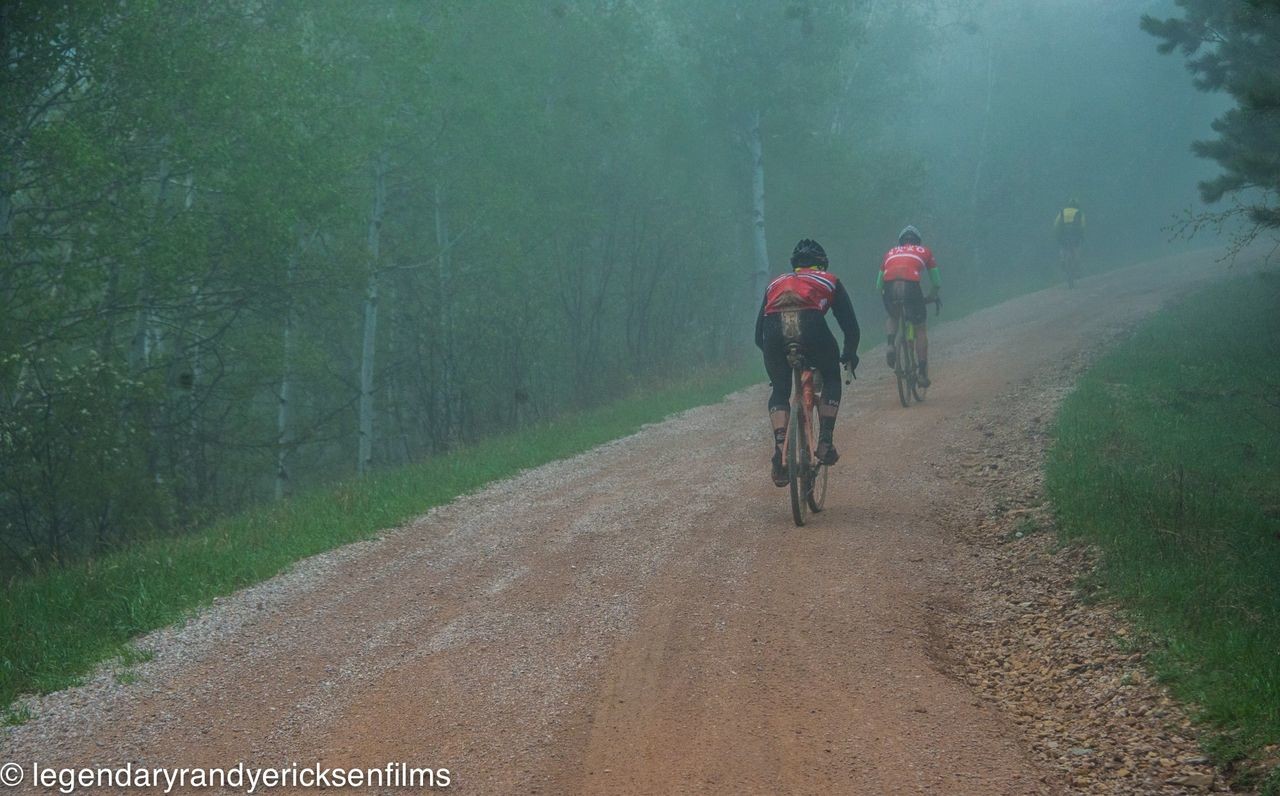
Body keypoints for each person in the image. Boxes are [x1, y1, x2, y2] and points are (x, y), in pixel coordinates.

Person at [755, 239, 860, 487]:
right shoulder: (829, 280)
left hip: (773, 330)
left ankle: (781, 447)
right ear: (821, 264)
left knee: (780, 390)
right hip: (812, 325)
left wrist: (774, 364)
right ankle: (824, 441)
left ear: (795, 266)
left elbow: (758, 333)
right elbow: (850, 326)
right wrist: (849, 353)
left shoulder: (776, 283)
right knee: (832, 377)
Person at [878, 225, 940, 387]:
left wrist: (887, 298)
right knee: (920, 328)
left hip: (889, 286)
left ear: (900, 242)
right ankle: (921, 373)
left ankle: (891, 344)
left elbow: (879, 285)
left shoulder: (889, 253)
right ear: (917, 242)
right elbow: (937, 282)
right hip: (911, 287)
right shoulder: (925, 251)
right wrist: (932, 296)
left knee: (893, 316)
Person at [1053, 198, 1086, 286]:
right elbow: (1082, 226)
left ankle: (1062, 259)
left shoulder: (1062, 212)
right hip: (1075, 235)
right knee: (1076, 250)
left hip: (1063, 235)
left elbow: (1056, 224)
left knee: (1063, 247)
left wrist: (1057, 235)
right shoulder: (1079, 213)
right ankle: (1077, 268)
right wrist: (1082, 237)